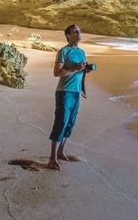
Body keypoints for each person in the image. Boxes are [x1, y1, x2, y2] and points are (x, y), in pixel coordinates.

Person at [48, 24, 89, 170]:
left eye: (80, 31)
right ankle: (52, 158)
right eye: (75, 31)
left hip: (76, 92)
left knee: (70, 123)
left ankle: (61, 152)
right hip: (64, 91)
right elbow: (57, 72)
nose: (79, 33)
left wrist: (83, 86)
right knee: (61, 122)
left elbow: (82, 73)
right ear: (68, 35)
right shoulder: (63, 51)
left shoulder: (82, 52)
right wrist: (75, 68)